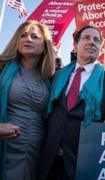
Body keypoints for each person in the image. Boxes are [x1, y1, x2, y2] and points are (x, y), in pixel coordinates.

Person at [37, 25, 105, 180]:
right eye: (86, 38)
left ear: (100, 49)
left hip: (83, 163)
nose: (91, 42)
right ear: (75, 46)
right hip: (49, 159)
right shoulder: (57, 75)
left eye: (96, 40)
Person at [0, 20, 55, 180]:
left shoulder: (50, 80)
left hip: (35, 153)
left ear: (45, 46)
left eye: (34, 36)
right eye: (23, 35)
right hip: (6, 148)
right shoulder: (2, 68)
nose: (28, 39)